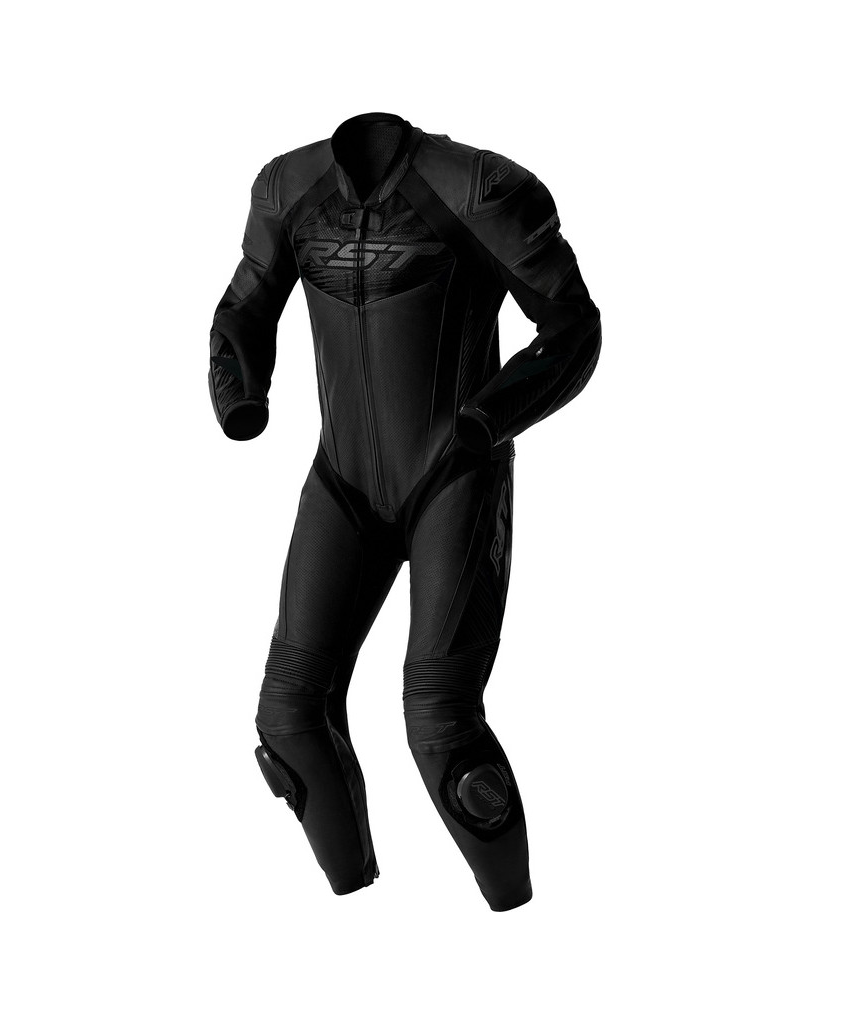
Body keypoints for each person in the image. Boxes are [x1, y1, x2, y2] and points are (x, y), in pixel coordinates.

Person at [209, 112, 601, 911]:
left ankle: (520, 922)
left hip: (454, 476)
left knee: (439, 723)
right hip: (342, 482)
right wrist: (240, 397)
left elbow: (571, 326)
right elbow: (241, 310)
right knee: (288, 717)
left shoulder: (481, 186)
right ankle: (355, 904)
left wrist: (490, 418)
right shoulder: (286, 188)